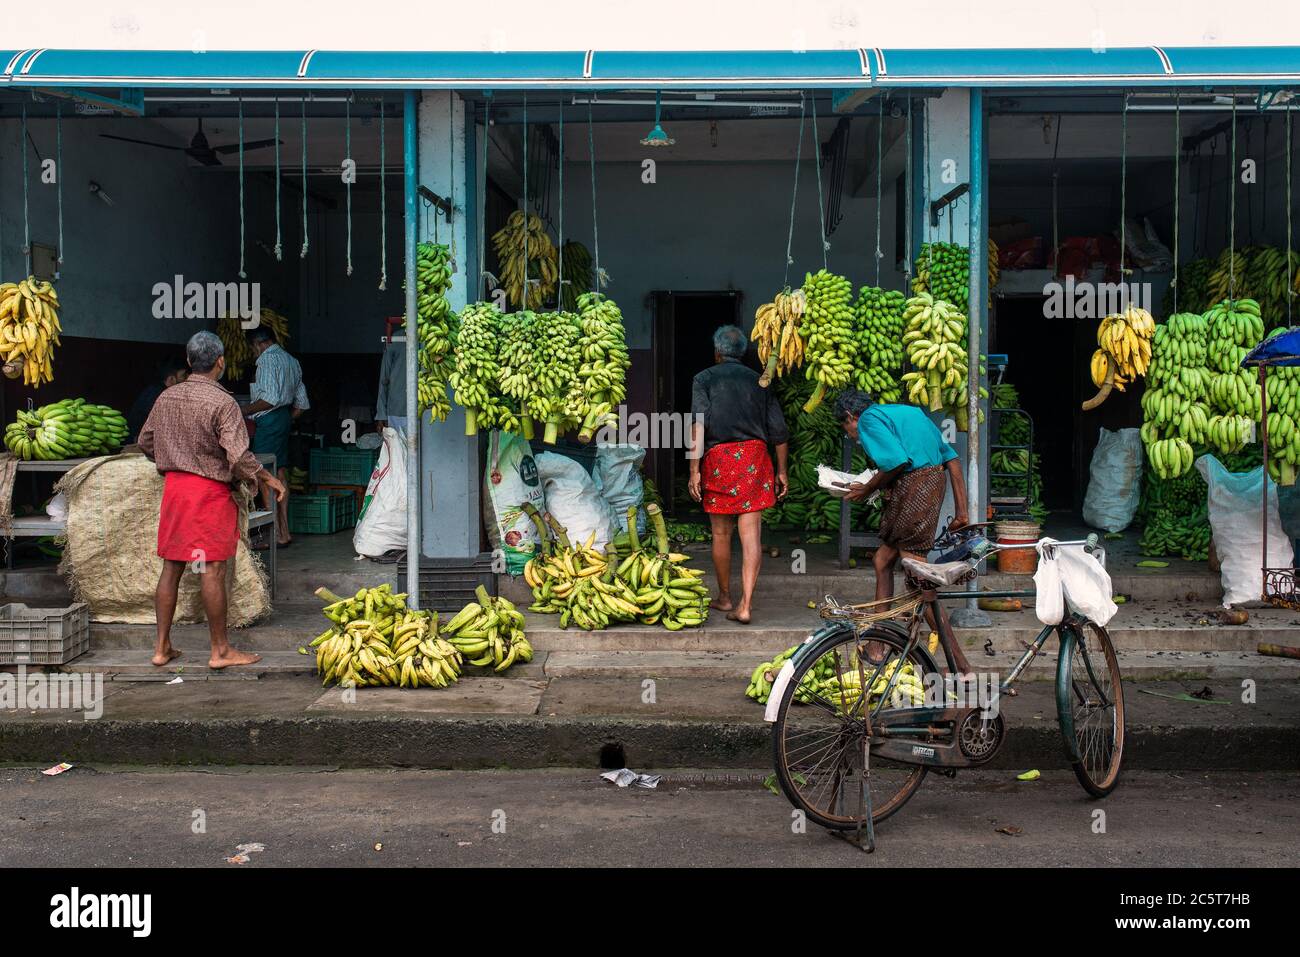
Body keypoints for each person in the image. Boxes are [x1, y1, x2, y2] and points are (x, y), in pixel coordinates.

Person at [139, 331, 286, 670]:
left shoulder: (167, 398)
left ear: (189, 362)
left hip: (175, 491)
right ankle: (220, 651)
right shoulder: (223, 403)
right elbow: (237, 456)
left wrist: (174, 459)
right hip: (208, 495)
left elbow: (146, 441)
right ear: (220, 362)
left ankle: (161, 648)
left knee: (172, 566)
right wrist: (265, 477)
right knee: (212, 569)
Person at [688, 325, 789, 624]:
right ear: (743, 353)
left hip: (719, 458)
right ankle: (746, 605)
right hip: (754, 459)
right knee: (751, 535)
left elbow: (697, 426)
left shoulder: (704, 378)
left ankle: (725, 598)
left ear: (717, 353)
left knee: (720, 533)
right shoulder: (760, 381)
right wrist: (782, 471)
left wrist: (694, 470)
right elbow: (779, 432)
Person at [243, 326, 308, 547]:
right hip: (284, 419)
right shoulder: (291, 360)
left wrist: (243, 410)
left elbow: (269, 400)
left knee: (265, 476)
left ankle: (275, 534)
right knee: (280, 473)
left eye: (252, 348)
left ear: (258, 344)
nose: (253, 353)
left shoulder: (266, 361)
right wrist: (285, 418)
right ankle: (284, 532)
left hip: (269, 421)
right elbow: (301, 405)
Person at [126, 356, 188, 442]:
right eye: (184, 376)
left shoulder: (155, 390)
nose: (187, 380)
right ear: (171, 379)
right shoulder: (159, 397)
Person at [375, 335, 409, 434]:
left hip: (427, 411)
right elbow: (384, 380)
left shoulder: (434, 337)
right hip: (397, 411)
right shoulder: (396, 339)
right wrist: (381, 416)